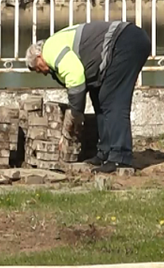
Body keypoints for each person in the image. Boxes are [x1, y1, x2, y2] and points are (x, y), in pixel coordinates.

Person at [24, 20, 150, 173]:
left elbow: (75, 78)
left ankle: (120, 158)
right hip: (122, 43)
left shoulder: (51, 50)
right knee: (100, 98)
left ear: (38, 56)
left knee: (113, 101)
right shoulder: (55, 46)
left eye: (38, 68)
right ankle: (105, 153)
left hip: (125, 42)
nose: (42, 73)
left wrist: (75, 116)